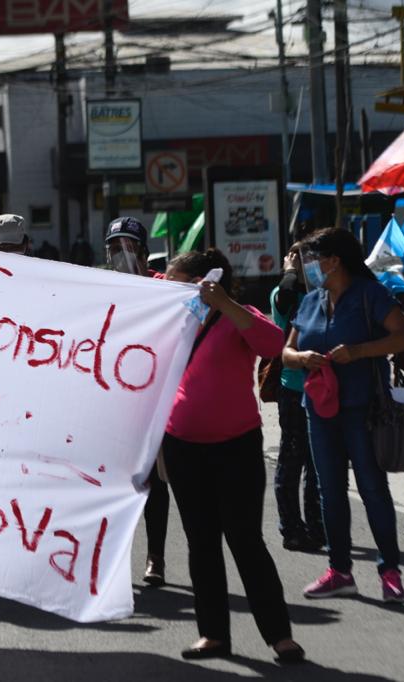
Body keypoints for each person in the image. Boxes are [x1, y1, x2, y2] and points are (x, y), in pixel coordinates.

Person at [163, 249, 304, 663]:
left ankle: (279, 635)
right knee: (201, 542)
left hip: (235, 446)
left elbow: (273, 343)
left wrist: (223, 303)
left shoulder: (238, 315)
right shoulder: (172, 322)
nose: (170, 289)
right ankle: (213, 635)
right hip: (183, 446)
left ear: (205, 282)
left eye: (178, 281)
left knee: (245, 540)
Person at [283, 228, 404, 603]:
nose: (308, 267)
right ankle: (339, 571)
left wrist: (358, 352)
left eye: (312, 259)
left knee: (373, 489)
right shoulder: (311, 300)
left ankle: (389, 571)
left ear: (333, 260)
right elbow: (286, 353)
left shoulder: (369, 294)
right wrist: (303, 359)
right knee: (330, 492)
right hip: (319, 411)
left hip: (363, 410)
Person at [105, 216, 168, 586]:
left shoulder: (165, 287)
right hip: (116, 402)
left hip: (156, 401)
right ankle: (112, 558)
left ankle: (155, 556)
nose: (120, 255)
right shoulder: (104, 287)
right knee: (117, 486)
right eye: (114, 248)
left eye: (127, 247)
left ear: (144, 252)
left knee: (155, 484)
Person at [270, 244, 325, 551]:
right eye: (305, 261)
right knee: (292, 460)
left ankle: (318, 526)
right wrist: (291, 270)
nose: (311, 266)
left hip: (323, 389)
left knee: (318, 465)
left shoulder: (323, 293)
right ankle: (291, 527)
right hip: (293, 389)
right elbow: (285, 295)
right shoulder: (285, 294)